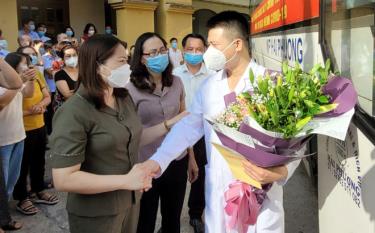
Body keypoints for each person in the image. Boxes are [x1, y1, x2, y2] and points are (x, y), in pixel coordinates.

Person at [141, 11, 302, 233]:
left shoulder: (272, 84)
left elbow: (295, 140)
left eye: (214, 45)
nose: (209, 52)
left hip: (260, 195)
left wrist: (281, 172)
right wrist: (158, 160)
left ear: (237, 44)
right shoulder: (210, 87)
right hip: (219, 195)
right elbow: (188, 128)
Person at [49, 34, 185, 233]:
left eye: (127, 61)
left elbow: (135, 139)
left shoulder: (122, 98)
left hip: (129, 202)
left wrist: (169, 123)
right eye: (121, 61)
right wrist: (125, 180)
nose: (127, 68)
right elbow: (63, 178)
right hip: (96, 214)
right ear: (97, 66)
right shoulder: (74, 111)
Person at [127, 32, 197, 233]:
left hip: (177, 161)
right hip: (146, 162)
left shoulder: (176, 82)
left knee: (172, 219)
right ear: (141, 57)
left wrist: (190, 158)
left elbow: (184, 123)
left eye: (162, 50)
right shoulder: (130, 89)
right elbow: (131, 134)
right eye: (153, 52)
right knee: (145, 221)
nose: (159, 56)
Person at [172, 33, 216, 233]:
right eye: (190, 49)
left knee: (200, 174)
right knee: (175, 178)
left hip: (202, 133)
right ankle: (170, 219)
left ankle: (196, 214)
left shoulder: (213, 75)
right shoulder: (173, 75)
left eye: (199, 49)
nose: (194, 53)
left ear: (205, 51)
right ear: (183, 51)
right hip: (177, 131)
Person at [13, 46, 58, 215]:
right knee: (22, 165)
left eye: (29, 60)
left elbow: (47, 96)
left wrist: (41, 105)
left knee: (39, 161)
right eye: (24, 62)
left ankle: (38, 190)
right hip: (22, 128)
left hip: (39, 125)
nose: (28, 64)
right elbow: (9, 106)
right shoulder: (11, 81)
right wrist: (29, 111)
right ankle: (22, 197)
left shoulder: (37, 75)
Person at [42, 40, 61, 134]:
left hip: (59, 87)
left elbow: (56, 71)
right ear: (48, 48)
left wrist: (55, 71)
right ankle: (50, 132)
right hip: (51, 88)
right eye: (54, 47)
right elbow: (49, 72)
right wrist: (57, 71)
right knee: (50, 112)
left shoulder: (58, 57)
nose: (56, 49)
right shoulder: (45, 57)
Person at [53, 44, 78, 111]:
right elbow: (67, 95)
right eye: (68, 56)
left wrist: (74, 92)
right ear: (63, 59)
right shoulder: (59, 74)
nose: (72, 58)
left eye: (74, 55)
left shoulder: (83, 71)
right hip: (67, 110)